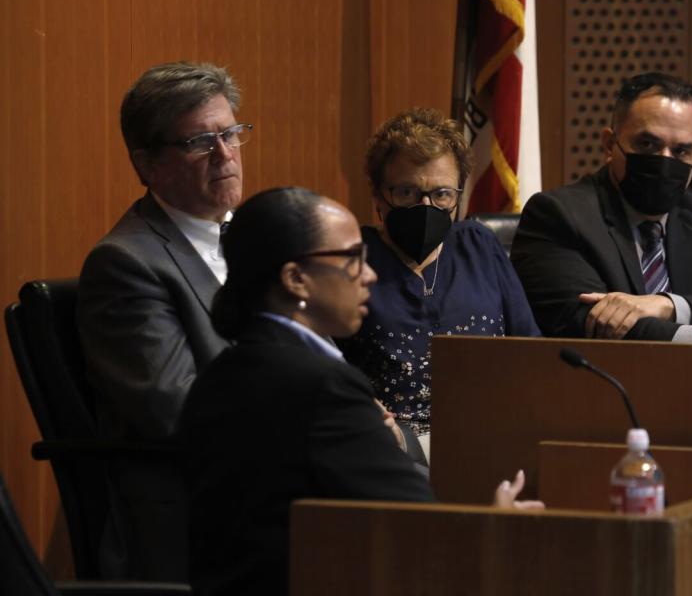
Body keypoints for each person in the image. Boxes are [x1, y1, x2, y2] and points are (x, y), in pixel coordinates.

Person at [179, 187, 540, 596]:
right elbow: (421, 532)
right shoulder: (323, 387)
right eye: (352, 260)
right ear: (296, 279)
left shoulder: (218, 375)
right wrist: (493, 525)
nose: (370, 275)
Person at [76, 61, 250, 579]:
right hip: (200, 509)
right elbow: (178, 411)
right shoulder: (126, 264)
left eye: (231, 133)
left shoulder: (255, 235)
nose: (225, 154)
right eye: (200, 142)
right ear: (147, 163)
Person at [511, 72, 692, 345]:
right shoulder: (559, 215)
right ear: (610, 144)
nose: (664, 161)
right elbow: (593, 324)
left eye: (681, 151)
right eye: (648, 144)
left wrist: (666, 304)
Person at [338, 108, 540, 453]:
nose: (426, 205)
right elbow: (325, 368)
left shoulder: (479, 245)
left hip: (492, 440)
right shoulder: (351, 260)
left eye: (442, 194)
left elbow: (531, 354)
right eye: (407, 193)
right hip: (391, 450)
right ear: (377, 195)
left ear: (458, 195)